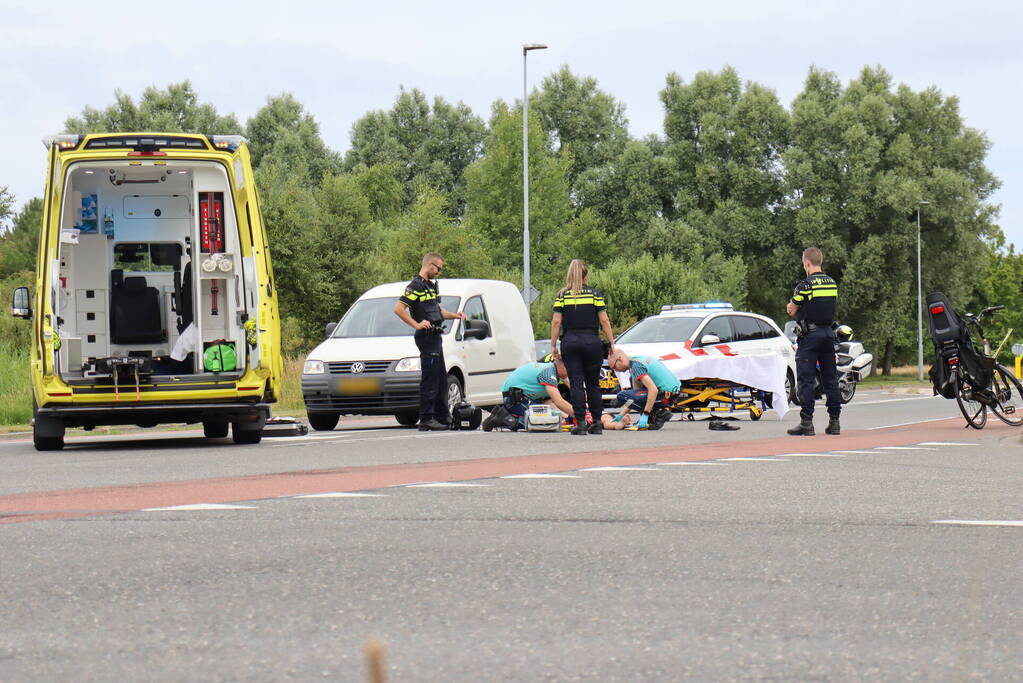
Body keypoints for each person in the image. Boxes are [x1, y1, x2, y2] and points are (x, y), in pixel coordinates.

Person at [393, 252, 465, 431]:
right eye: (438, 268)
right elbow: (399, 309)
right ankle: (426, 418)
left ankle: (442, 416)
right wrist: (416, 324)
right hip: (426, 336)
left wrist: (455, 315)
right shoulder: (415, 286)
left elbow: (438, 311)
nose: (439, 272)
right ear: (430, 265)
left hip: (436, 336)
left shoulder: (431, 287)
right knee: (430, 379)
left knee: (441, 377)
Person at [550, 260, 615, 435]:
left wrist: (553, 345)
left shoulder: (562, 296)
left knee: (576, 383)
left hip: (570, 341)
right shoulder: (595, 294)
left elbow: (557, 322)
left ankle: (580, 423)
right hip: (591, 341)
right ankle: (596, 423)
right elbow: (604, 320)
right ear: (586, 275)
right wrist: (611, 343)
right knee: (593, 384)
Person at [786, 246, 841, 436]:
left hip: (809, 337)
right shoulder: (832, 283)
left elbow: (792, 309)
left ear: (807, 262)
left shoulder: (806, 285)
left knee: (806, 380)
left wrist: (793, 307)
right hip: (828, 335)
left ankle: (806, 422)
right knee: (831, 380)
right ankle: (834, 422)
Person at [482, 359, 574, 431]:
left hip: (520, 396)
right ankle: (504, 419)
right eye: (569, 368)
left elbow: (550, 402)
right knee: (539, 423)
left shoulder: (551, 370)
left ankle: (503, 413)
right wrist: (579, 415)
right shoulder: (548, 374)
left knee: (552, 418)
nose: (570, 372)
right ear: (561, 365)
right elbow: (558, 401)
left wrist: (566, 417)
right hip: (515, 398)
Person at [608, 349, 680, 430]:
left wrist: (645, 414)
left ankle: (658, 414)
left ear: (620, 359)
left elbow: (653, 390)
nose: (616, 370)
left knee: (621, 395)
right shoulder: (636, 361)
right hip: (672, 393)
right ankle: (652, 416)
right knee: (631, 392)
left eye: (614, 367)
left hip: (666, 396)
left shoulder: (636, 366)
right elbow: (635, 398)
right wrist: (621, 414)